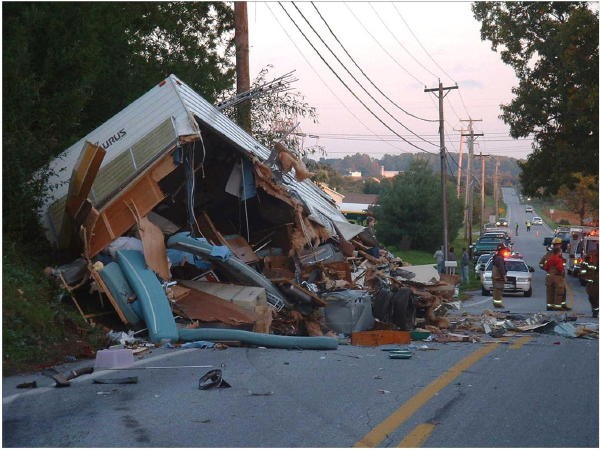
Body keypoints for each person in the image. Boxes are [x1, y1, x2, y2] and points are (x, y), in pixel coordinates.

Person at [543, 245, 567, 311]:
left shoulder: (550, 258)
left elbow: (545, 267)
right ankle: (557, 307)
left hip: (549, 278)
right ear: (558, 252)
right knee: (559, 292)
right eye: (560, 251)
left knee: (550, 292)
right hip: (557, 277)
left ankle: (549, 306)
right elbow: (560, 268)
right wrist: (562, 273)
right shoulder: (558, 259)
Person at [491, 243, 508, 308]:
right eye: (504, 250)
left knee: (496, 290)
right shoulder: (500, 258)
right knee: (498, 290)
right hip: (498, 277)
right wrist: (504, 276)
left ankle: (496, 303)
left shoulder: (496, 257)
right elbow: (502, 268)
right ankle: (498, 304)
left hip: (495, 277)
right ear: (502, 250)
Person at [583, 249, 598, 318]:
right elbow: (584, 266)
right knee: (592, 297)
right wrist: (583, 276)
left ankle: (596, 311)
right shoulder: (590, 255)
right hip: (592, 282)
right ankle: (595, 310)